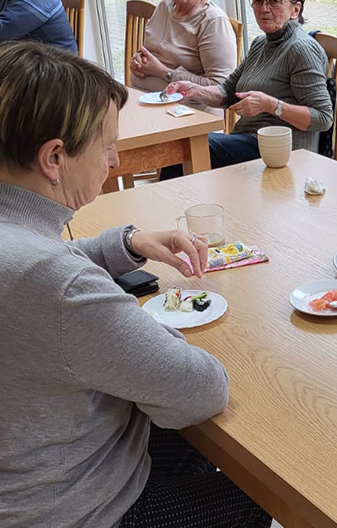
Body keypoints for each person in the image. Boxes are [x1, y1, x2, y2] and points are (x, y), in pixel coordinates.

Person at [0, 42, 271, 528]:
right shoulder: (58, 286)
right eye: (106, 146)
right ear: (54, 157)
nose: (115, 164)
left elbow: (35, 271)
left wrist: (127, 243)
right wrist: (143, 329)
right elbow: (201, 388)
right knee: (261, 489)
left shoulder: (22, 249)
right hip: (74, 510)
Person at [165, 0, 333, 172]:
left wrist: (270, 105)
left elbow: (323, 118)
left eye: (274, 1)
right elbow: (228, 92)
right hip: (250, 141)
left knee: (186, 150)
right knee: (182, 146)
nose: (264, 9)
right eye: (257, 1)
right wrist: (194, 90)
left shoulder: (300, 49)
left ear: (295, 9)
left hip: (281, 152)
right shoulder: (261, 43)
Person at [129, 0, 236, 99]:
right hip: (145, 100)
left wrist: (163, 72)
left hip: (189, 111)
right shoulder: (163, 7)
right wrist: (138, 63)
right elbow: (150, 53)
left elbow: (221, 87)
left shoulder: (213, 21)